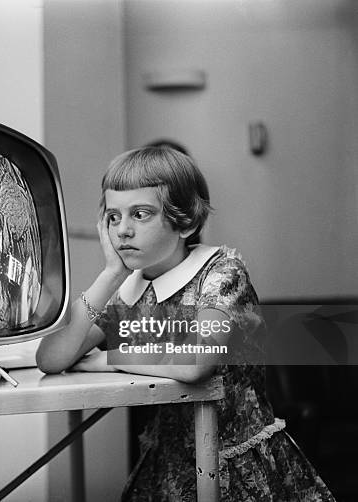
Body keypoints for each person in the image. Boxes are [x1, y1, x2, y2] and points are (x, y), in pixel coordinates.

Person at [36, 146, 335, 501]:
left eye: (140, 214)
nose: (123, 231)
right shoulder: (130, 287)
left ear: (186, 222)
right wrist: (110, 274)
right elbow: (52, 359)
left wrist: (110, 357)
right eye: (113, 217)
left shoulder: (221, 273)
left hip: (233, 465)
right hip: (168, 467)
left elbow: (196, 362)